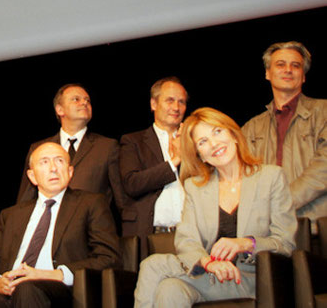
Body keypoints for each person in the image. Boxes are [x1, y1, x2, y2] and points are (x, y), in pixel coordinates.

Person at [0, 141, 120, 308]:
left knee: (28, 289)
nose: (53, 168)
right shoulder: (11, 216)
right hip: (7, 294)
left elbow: (108, 258)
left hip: (57, 292)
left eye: (59, 161)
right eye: (44, 162)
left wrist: (52, 275)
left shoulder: (90, 203)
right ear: (32, 176)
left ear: (70, 172)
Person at [133, 107, 297, 308]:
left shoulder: (271, 177)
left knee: (152, 265)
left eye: (217, 132)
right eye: (202, 142)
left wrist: (245, 243)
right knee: (169, 289)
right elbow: (187, 240)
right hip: (210, 276)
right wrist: (208, 263)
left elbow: (285, 243)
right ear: (200, 155)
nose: (213, 144)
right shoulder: (196, 187)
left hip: (253, 278)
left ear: (234, 134)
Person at [242, 41, 326, 232]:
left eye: (295, 65)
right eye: (280, 64)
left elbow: (323, 169)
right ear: (267, 73)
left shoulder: (324, 112)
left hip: (316, 228)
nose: (288, 70)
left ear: (303, 76)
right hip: (269, 233)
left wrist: (281, 203)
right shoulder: (251, 128)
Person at [18, 85, 126, 216]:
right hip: (47, 225)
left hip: (89, 228)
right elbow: (26, 197)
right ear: (59, 109)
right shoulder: (39, 148)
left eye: (87, 100)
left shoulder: (107, 147)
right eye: (76, 99)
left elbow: (121, 198)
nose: (84, 103)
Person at [119, 77, 188, 257]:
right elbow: (132, 184)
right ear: (153, 104)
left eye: (181, 102)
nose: (176, 107)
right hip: (150, 237)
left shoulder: (195, 142)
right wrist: (175, 161)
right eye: (170, 100)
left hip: (189, 238)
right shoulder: (133, 141)